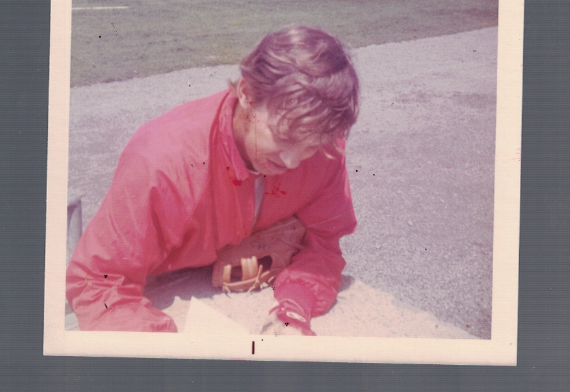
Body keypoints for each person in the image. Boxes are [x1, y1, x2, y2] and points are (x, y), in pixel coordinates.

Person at [66, 26, 360, 335]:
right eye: (283, 136)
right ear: (247, 93)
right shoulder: (160, 161)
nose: (292, 162)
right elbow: (96, 282)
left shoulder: (325, 146)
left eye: (309, 145)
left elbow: (324, 246)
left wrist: (294, 311)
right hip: (160, 282)